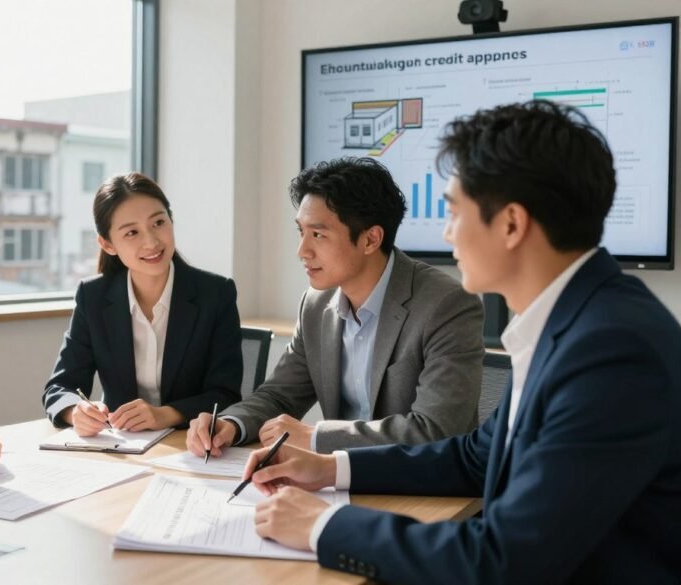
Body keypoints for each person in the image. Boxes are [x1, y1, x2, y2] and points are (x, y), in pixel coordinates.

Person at [246, 101, 681, 583]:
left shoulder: (611, 351)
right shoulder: (570, 320)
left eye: (454, 212)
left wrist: (323, 525)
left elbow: (507, 560)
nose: (447, 233)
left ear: (512, 224)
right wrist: (329, 469)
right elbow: (474, 457)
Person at [187, 157, 483, 456]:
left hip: (422, 489)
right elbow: (279, 396)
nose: (302, 251)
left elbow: (435, 430)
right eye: (300, 232)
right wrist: (231, 424)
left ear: (370, 239)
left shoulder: (445, 305)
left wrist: (316, 437)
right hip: (336, 479)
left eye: (318, 235)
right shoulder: (316, 304)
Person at [43, 172, 243, 436]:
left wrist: (164, 415)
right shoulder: (92, 297)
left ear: (171, 220)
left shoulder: (216, 293)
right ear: (107, 244)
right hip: (123, 448)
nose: (151, 242)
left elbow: (226, 393)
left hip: (191, 443)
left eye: (158, 223)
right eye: (132, 232)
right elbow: (59, 388)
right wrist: (76, 411)